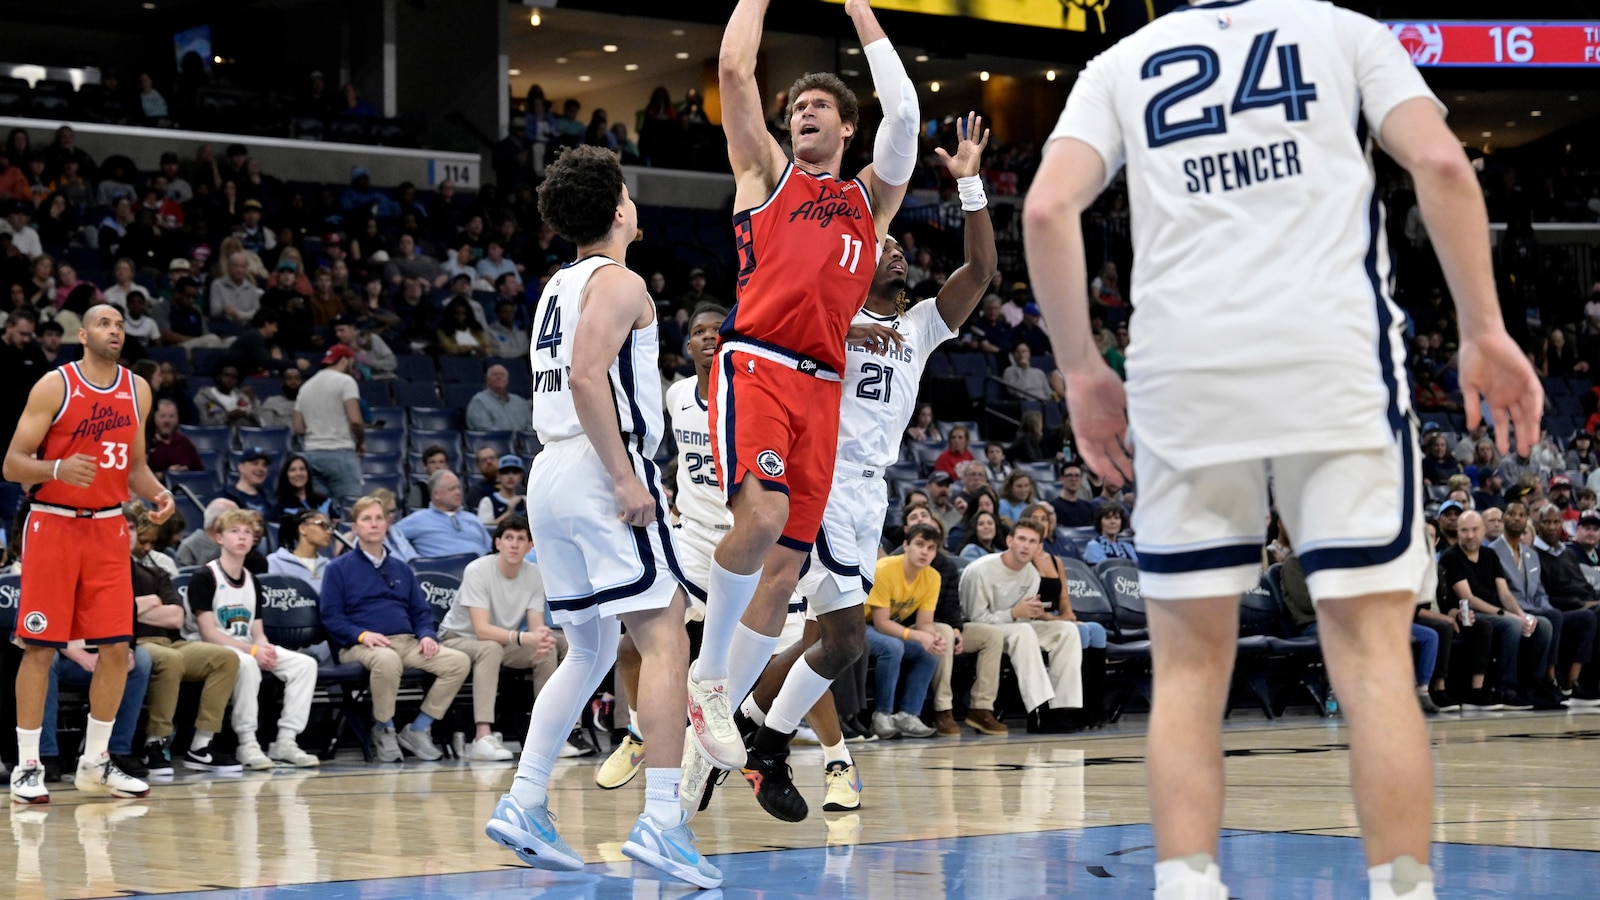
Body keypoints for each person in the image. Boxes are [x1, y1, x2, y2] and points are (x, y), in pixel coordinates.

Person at [1026, 4, 1545, 894]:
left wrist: (1080, 370)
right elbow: (1442, 162)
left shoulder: (1123, 61)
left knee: (1189, 669)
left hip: (1187, 375)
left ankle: (1187, 885)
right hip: (1332, 364)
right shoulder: (1344, 31)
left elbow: (1044, 208)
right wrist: (1485, 328)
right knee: (1374, 656)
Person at [717, 112, 991, 822]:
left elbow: (983, 270)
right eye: (882, 244)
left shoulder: (920, 324)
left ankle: (753, 727)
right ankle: (748, 728)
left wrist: (971, 189)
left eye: (900, 248)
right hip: (824, 477)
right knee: (835, 637)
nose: (895, 253)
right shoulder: (825, 320)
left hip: (872, 493)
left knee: (838, 643)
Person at [686, 0, 918, 792]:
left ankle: (708, 743)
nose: (802, 113)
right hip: (758, 362)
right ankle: (709, 683)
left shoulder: (868, 204)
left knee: (785, 576)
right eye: (796, 108)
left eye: (819, 105)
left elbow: (909, 114)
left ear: (848, 125)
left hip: (825, 389)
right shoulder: (765, 175)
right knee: (762, 516)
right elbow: (731, 71)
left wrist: (860, 11)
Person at [483, 146, 718, 888]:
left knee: (584, 649)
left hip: (551, 472)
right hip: (596, 464)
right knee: (665, 629)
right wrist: (625, 475)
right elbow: (589, 377)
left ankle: (524, 799)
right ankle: (662, 820)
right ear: (619, 208)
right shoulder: (621, 282)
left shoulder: (557, 285)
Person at [6, 304, 175, 803]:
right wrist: (56, 470)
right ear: (82, 335)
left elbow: (136, 466)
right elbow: (13, 464)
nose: (115, 330)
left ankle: (96, 762)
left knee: (118, 651)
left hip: (107, 528)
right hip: (53, 524)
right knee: (39, 647)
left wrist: (157, 494)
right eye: (104, 323)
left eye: (120, 324)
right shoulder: (54, 385)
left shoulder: (137, 390)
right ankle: (28, 764)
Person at [597, 303, 728, 791]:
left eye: (719, 329)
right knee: (635, 644)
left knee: (795, 652)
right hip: (693, 539)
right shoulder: (675, 396)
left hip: (747, 545)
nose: (709, 337)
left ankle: (830, 758)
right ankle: (638, 731)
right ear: (689, 346)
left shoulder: (754, 392)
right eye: (699, 331)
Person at [320, 495, 471, 762]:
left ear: (387, 524)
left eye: (379, 518)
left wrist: (426, 635)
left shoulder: (401, 567)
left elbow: (420, 612)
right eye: (366, 519)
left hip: (407, 641)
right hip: (359, 645)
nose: (374, 524)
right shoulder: (338, 569)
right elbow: (331, 618)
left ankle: (418, 728)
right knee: (387, 660)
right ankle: (384, 728)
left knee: (458, 661)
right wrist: (363, 635)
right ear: (354, 527)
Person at [187, 509, 322, 768]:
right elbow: (208, 633)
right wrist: (252, 650)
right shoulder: (205, 577)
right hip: (209, 648)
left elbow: (257, 630)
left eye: (248, 532)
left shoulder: (252, 580)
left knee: (305, 664)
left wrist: (263, 646)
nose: (242, 537)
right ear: (219, 538)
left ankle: (286, 740)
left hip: (243, 645)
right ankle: (247, 742)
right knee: (248, 663)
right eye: (234, 531)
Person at [438, 516, 562, 762]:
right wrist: (524, 637)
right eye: (508, 538)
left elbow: (535, 628)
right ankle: (482, 736)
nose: (514, 544)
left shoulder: (535, 574)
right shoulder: (477, 569)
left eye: (520, 539)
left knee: (547, 649)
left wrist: (540, 639)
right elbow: (481, 629)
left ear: (530, 546)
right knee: (490, 648)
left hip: (502, 641)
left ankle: (548, 736)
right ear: (497, 544)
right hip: (457, 638)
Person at [959, 518, 1083, 733]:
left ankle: (1060, 708)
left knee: (1067, 631)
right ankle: (1038, 710)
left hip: (1016, 627)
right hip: (978, 630)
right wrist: (1014, 613)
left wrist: (1024, 615)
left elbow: (1024, 619)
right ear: (1009, 541)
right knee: (1024, 631)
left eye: (1032, 541)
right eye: (1022, 539)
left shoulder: (1032, 575)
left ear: (1039, 548)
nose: (1026, 546)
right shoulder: (979, 571)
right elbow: (975, 619)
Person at [1442, 511, 1554, 710]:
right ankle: (1505, 688)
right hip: (1473, 614)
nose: (1470, 535)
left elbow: (1504, 593)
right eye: (1464, 530)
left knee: (1542, 624)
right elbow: (1468, 597)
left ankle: (1533, 685)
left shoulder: (1489, 555)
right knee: (1510, 625)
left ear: (1483, 531)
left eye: (1475, 530)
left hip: (1496, 611)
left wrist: (1522, 614)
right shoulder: (1451, 557)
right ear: (1457, 532)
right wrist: (1506, 615)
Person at [863, 524, 946, 739]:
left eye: (931, 548)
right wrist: (919, 635)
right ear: (905, 545)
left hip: (884, 626)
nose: (925, 552)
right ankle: (882, 715)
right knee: (893, 647)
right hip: (858, 625)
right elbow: (881, 623)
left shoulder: (933, 577)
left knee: (927, 651)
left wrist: (932, 636)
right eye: (919, 544)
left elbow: (925, 622)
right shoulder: (885, 569)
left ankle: (908, 715)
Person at [294, 344, 365, 510]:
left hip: (311, 453)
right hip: (339, 452)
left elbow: (298, 427)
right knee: (351, 510)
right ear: (344, 360)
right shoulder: (346, 381)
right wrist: (361, 441)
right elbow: (355, 420)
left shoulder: (305, 387)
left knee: (320, 511)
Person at [396, 470, 493, 558]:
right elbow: (389, 536)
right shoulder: (418, 519)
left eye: (459, 488)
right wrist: (412, 558)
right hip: (442, 574)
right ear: (436, 494)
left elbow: (492, 550)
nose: (458, 492)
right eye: (452, 489)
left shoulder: (472, 519)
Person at [267, 509, 333, 592]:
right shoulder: (275, 562)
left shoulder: (330, 566)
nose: (329, 532)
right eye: (322, 525)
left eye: (329, 528)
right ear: (303, 529)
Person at [466, 364, 532, 432]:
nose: (499, 377)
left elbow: (530, 426)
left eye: (503, 375)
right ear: (487, 380)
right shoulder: (479, 401)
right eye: (495, 374)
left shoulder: (520, 402)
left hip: (523, 442)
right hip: (492, 441)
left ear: (507, 380)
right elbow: (484, 429)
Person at [175, 498, 239, 568]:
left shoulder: (241, 543)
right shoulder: (189, 547)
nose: (240, 524)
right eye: (234, 519)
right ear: (217, 522)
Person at [146, 398, 204, 474]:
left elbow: (200, 473)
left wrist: (186, 472)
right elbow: (140, 477)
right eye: (162, 416)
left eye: (172, 416)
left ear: (178, 418)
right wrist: (167, 475)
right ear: (153, 418)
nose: (167, 421)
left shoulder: (184, 442)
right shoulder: (147, 444)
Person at [220, 447, 276, 520]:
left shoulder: (271, 498)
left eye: (264, 465)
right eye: (255, 463)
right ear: (241, 467)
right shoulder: (225, 497)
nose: (260, 468)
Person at [276, 453, 332, 519]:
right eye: (293, 470)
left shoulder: (324, 502)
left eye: (302, 469)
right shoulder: (281, 508)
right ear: (286, 475)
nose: (299, 473)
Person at [477, 454, 527, 526]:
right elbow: (485, 529)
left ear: (521, 476)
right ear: (498, 476)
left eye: (515, 472)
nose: (510, 476)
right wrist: (509, 513)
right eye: (505, 472)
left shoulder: (525, 501)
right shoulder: (488, 502)